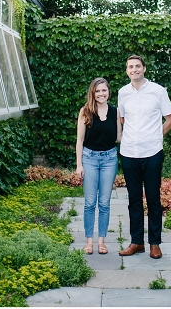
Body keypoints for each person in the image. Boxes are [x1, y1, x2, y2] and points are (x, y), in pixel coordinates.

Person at [117, 55, 171, 259]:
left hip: (152, 153)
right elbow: (123, 119)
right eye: (130, 67)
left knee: (153, 199)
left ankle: (155, 243)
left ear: (144, 68)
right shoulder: (122, 93)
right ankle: (136, 242)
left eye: (137, 66)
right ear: (127, 70)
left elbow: (170, 119)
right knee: (133, 199)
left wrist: (155, 137)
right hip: (129, 153)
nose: (134, 70)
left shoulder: (158, 91)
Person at [76, 77, 121, 255]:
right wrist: (79, 164)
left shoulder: (115, 112)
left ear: (109, 92)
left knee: (104, 203)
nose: (101, 93)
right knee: (89, 202)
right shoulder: (85, 112)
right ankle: (89, 242)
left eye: (104, 90)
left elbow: (119, 138)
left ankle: (101, 242)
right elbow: (79, 140)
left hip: (110, 159)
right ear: (93, 93)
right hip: (89, 159)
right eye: (98, 91)